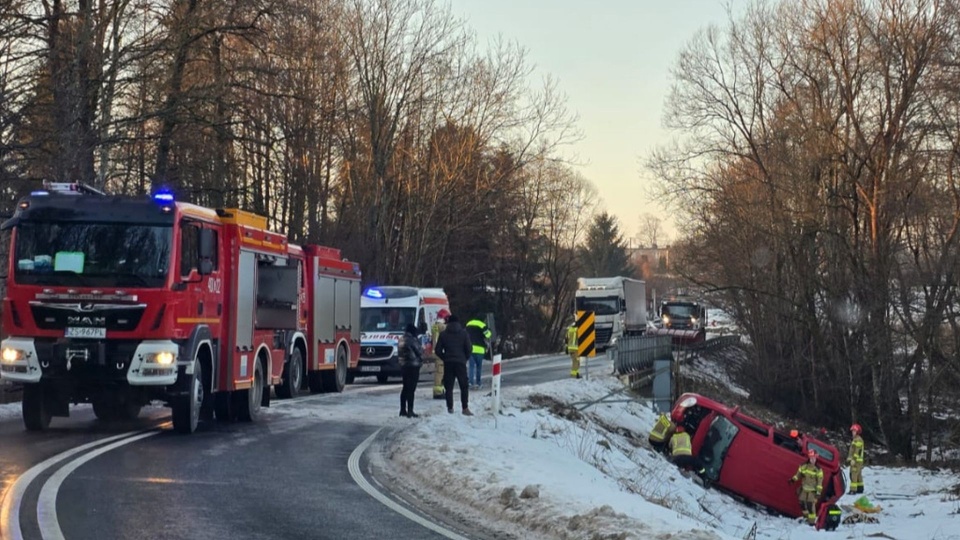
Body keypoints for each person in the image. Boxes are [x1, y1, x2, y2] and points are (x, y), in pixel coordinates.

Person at [435, 314, 473, 415]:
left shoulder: (443, 334)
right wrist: (464, 358)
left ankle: (450, 408)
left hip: (448, 363)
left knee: (449, 387)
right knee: (464, 386)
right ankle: (465, 408)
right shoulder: (464, 333)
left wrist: (445, 357)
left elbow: (437, 350)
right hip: (460, 363)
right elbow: (469, 348)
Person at [789, 449, 824, 526]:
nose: (813, 460)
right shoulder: (804, 466)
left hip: (812, 491)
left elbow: (819, 482)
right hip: (804, 488)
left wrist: (818, 493)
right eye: (811, 458)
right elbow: (798, 475)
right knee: (801, 502)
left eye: (814, 458)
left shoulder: (818, 469)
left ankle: (812, 522)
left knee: (810, 505)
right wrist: (793, 480)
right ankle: (806, 517)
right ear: (809, 458)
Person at [397, 323, 424, 418]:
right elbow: (419, 351)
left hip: (404, 366)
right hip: (413, 366)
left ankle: (402, 409)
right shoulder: (412, 340)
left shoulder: (401, 339)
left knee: (405, 388)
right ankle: (410, 410)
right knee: (411, 389)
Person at [465, 317, 492, 389]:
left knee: (471, 367)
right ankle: (478, 383)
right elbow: (488, 335)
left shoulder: (469, 324)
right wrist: (489, 330)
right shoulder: (482, 325)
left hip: (470, 348)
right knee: (478, 367)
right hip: (480, 349)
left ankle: (470, 382)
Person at [430, 310, 450, 400]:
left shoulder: (435, 326)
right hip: (441, 353)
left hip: (436, 352)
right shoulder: (442, 327)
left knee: (439, 372)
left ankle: (440, 390)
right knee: (440, 373)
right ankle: (438, 392)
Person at [848, 423, 865, 494]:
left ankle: (853, 490)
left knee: (853, 474)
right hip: (858, 461)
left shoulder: (857, 440)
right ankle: (860, 488)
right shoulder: (856, 439)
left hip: (856, 461)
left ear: (857, 431)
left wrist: (853, 460)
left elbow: (856, 451)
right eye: (852, 431)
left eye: (854, 431)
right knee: (858, 474)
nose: (852, 432)